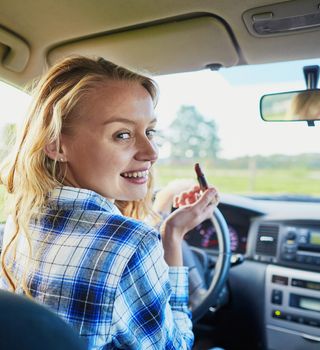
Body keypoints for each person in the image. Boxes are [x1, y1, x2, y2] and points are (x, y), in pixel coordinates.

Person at [0, 56, 219, 349]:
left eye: (149, 131)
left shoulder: (20, 221)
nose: (151, 152)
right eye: (123, 134)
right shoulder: (133, 244)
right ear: (56, 145)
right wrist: (172, 238)